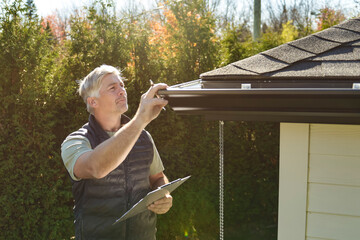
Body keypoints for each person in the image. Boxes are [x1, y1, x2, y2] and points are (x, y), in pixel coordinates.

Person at [61, 65, 172, 239]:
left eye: (122, 86)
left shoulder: (143, 137)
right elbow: (95, 168)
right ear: (93, 102)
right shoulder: (76, 141)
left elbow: (157, 178)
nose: (122, 91)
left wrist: (163, 193)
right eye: (112, 88)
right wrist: (139, 120)